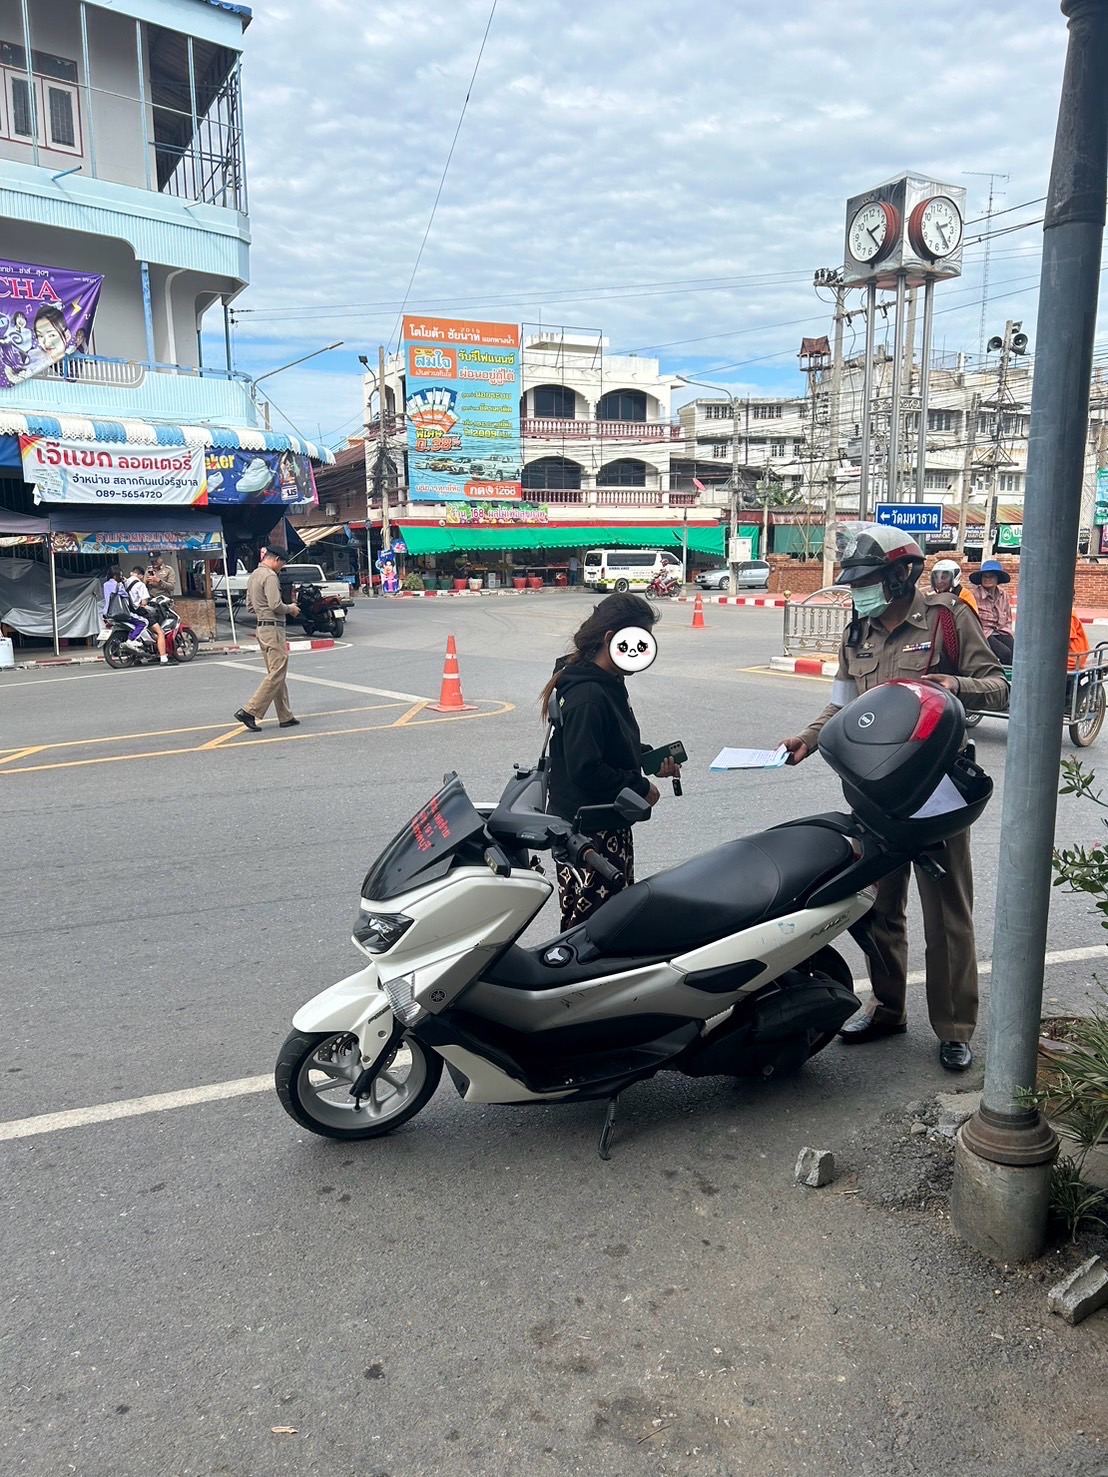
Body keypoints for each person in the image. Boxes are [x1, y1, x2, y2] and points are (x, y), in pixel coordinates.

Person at [781, 523, 1008, 1073]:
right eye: (856, 583)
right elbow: (841, 703)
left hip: (936, 791)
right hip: (874, 791)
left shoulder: (947, 620)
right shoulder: (856, 633)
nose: (860, 591)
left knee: (947, 913)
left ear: (903, 574)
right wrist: (808, 738)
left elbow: (999, 685)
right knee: (881, 908)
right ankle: (887, 1009)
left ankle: (954, 1027)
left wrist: (955, 685)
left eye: (869, 580)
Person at [540, 592, 680, 930]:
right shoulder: (588, 694)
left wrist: (647, 758)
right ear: (610, 638)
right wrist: (640, 787)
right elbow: (586, 767)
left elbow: (608, 740)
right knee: (593, 928)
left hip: (602, 824)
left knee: (610, 921)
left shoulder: (606, 680)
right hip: (591, 833)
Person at [234, 547, 300, 730]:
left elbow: (250, 606)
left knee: (276, 673)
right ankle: (249, 711)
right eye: (283, 563)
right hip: (273, 628)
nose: (282, 567)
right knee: (277, 672)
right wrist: (291, 608)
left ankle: (285, 715)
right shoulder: (270, 576)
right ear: (276, 559)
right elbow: (275, 605)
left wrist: (263, 611)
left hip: (262, 628)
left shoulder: (254, 575)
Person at [969, 559, 1014, 663]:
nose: (987, 579)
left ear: (997, 579)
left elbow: (1008, 618)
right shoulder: (974, 596)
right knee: (1005, 653)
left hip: (1000, 630)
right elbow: (970, 620)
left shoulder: (1003, 595)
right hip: (983, 633)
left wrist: (1008, 634)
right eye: (985, 576)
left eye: (991, 576)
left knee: (1016, 650)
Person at [125, 567, 168, 664]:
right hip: (139, 612)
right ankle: (163, 658)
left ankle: (138, 657)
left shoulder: (125, 582)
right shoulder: (140, 585)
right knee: (160, 632)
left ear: (132, 573)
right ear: (141, 575)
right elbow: (144, 602)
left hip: (128, 612)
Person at [102, 566, 148, 649]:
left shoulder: (105, 585)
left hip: (107, 613)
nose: (121, 577)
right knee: (143, 622)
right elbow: (126, 596)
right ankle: (131, 640)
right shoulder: (119, 585)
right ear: (115, 576)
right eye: (120, 575)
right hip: (120, 612)